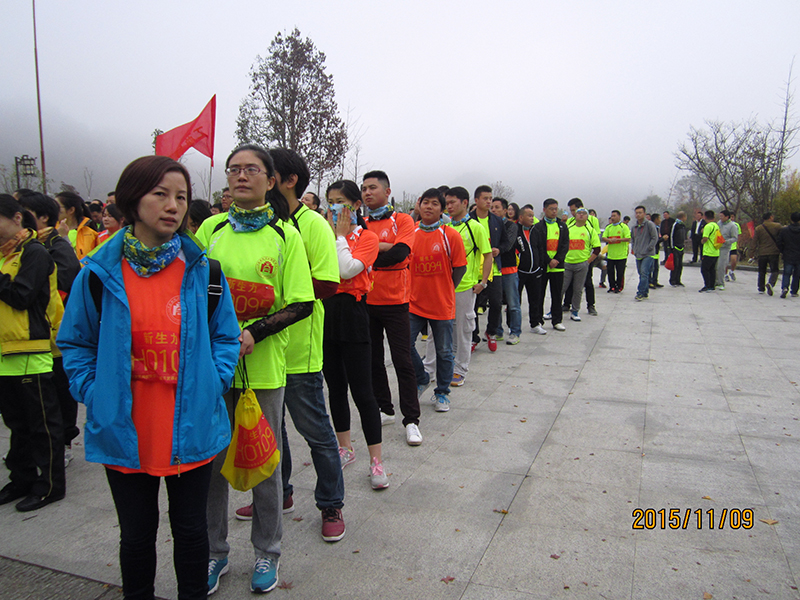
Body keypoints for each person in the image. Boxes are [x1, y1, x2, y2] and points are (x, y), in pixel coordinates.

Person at [57, 156, 241, 600]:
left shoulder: (205, 272)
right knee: (136, 538)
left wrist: (212, 382)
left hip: (191, 425)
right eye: (160, 194)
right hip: (125, 428)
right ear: (130, 200)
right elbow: (75, 344)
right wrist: (95, 392)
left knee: (192, 532)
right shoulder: (98, 275)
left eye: (180, 196)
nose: (172, 205)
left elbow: (226, 337)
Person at [197, 144, 315, 595]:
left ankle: (268, 551)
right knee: (209, 462)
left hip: (262, 369)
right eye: (234, 170)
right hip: (210, 368)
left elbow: (302, 302)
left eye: (252, 169)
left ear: (270, 180)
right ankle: (213, 552)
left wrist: (255, 333)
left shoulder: (286, 236)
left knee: (263, 463)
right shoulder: (209, 229)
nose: (241, 176)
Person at [238, 147, 345, 542]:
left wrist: (277, 296)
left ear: (286, 180)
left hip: (299, 349)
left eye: (266, 173)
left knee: (315, 431)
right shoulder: (255, 225)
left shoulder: (311, 224)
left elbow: (328, 283)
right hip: (262, 352)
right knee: (270, 431)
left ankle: (331, 502)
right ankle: (277, 495)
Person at [0, 195, 66, 513]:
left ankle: (50, 485)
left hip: (31, 350)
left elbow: (22, 295)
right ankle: (21, 479)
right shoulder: (3, 255)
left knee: (42, 424)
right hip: (3, 353)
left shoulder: (35, 253)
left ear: (15, 218)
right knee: (16, 424)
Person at [323, 180, 390, 484]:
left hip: (353, 314)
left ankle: (376, 461)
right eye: (331, 201)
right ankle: (344, 447)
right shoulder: (322, 235)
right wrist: (332, 236)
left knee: (363, 392)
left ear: (355, 206)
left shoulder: (368, 238)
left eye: (341, 202)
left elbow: (347, 269)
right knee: (335, 388)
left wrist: (338, 237)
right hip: (326, 315)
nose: (335, 207)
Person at [18, 192, 82, 466]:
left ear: (41, 217)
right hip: (23, 339)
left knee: (55, 397)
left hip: (52, 335)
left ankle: (61, 446)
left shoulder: (54, 245)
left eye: (22, 211)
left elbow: (67, 279)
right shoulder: (19, 248)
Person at [362, 171, 422, 440]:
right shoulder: (360, 223)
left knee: (402, 361)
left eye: (372, 187)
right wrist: (381, 248)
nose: (367, 193)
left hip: (396, 301)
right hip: (365, 300)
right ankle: (385, 409)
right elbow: (350, 255)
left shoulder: (403, 220)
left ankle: (411, 419)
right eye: (363, 189)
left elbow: (400, 254)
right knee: (373, 360)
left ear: (387, 192)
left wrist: (368, 258)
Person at [408, 189, 466, 412]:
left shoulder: (450, 235)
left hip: (442, 304)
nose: (429, 207)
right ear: (418, 206)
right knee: (404, 344)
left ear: (442, 209)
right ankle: (422, 377)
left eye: (435, 204)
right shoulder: (411, 233)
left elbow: (460, 267)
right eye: (425, 203)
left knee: (444, 351)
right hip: (414, 302)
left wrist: (446, 288)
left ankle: (442, 392)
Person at [432, 187, 492, 386]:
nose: (448, 206)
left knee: (464, 330)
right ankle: (431, 367)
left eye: (452, 202)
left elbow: (487, 254)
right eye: (446, 203)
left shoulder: (476, 228)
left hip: (465, 287)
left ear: (465, 203)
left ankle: (460, 369)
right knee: (436, 330)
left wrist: (483, 282)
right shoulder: (443, 227)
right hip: (441, 288)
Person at [470, 186, 509, 349]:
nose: (488, 201)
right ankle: (474, 336)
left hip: (493, 269)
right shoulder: (468, 220)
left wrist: (498, 250)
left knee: (496, 302)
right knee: (473, 306)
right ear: (476, 200)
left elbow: (506, 242)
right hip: (472, 270)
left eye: (490, 198)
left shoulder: (497, 221)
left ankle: (491, 332)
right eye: (485, 198)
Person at [533, 199, 569, 330]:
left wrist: (557, 260)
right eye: (551, 209)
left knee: (557, 294)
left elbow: (565, 246)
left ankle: (557, 320)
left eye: (556, 209)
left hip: (558, 267)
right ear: (544, 210)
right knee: (539, 294)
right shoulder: (538, 227)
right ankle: (538, 320)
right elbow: (538, 247)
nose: (554, 211)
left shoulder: (562, 226)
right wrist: (548, 260)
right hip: (543, 266)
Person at [490, 197, 522, 344]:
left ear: (505, 210)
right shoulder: (488, 224)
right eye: (492, 207)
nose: (494, 210)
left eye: (497, 207)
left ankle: (515, 332)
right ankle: (497, 331)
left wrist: (498, 250)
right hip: (494, 269)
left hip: (509, 269)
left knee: (513, 303)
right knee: (496, 303)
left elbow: (508, 244)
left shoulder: (511, 226)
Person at [563, 198, 600, 315]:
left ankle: (591, 305)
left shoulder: (592, 220)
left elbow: (596, 239)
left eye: (574, 210)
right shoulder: (570, 222)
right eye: (571, 211)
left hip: (585, 259)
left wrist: (588, 261)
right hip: (570, 259)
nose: (573, 213)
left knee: (587, 283)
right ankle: (566, 304)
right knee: (568, 284)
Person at [517, 206, 546, 334]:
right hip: (519, 272)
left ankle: (535, 324)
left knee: (535, 299)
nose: (532, 218)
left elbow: (541, 249)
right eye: (529, 215)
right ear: (521, 217)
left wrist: (540, 267)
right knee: (515, 301)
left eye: (533, 215)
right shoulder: (515, 230)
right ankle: (514, 326)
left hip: (535, 272)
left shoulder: (536, 231)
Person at [55, 191, 99, 260]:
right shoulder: (50, 231)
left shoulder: (91, 234)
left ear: (71, 210)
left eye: (57, 207)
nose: (54, 210)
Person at [630, 205, 658, 301]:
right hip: (638, 254)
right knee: (641, 274)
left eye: (640, 212)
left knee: (644, 272)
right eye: (636, 213)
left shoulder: (649, 225)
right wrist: (634, 248)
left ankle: (640, 293)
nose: (638, 215)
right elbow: (633, 239)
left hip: (648, 254)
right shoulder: (634, 227)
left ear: (644, 214)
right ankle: (645, 292)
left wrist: (649, 248)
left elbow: (655, 237)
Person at [601, 210, 630, 293]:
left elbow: (628, 238)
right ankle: (612, 286)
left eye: (614, 216)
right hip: (611, 254)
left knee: (620, 272)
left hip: (621, 255)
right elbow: (604, 237)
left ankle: (619, 287)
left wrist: (618, 239)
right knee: (610, 272)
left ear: (619, 217)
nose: (612, 218)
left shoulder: (623, 227)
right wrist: (609, 240)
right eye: (612, 216)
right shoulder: (609, 227)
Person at [754, 212, 782, 295]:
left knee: (762, 271)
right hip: (774, 252)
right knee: (775, 270)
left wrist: (751, 252)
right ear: (770, 217)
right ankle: (771, 283)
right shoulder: (778, 226)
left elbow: (754, 241)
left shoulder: (758, 228)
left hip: (762, 252)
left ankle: (761, 288)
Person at [777, 212, 800, 298]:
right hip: (799, 255)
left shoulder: (785, 230)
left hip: (788, 254)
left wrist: (783, 250)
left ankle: (785, 287)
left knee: (787, 273)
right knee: (797, 274)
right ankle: (794, 290)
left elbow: (779, 242)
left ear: (791, 219)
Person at [714, 210, 738, 290]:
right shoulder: (718, 223)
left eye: (722, 216)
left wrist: (726, 242)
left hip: (725, 248)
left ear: (727, 217)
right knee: (715, 265)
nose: (720, 218)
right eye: (719, 216)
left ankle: (721, 283)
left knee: (721, 265)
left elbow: (735, 238)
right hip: (716, 247)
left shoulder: (732, 226)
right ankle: (715, 281)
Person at [699, 210, 721, 292]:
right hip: (716, 251)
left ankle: (707, 285)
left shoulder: (708, 226)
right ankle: (712, 285)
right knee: (712, 270)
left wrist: (702, 241)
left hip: (708, 252)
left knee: (704, 269)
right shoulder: (716, 225)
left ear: (705, 217)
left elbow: (705, 238)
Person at [668, 211, 687, 287]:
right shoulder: (675, 225)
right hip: (675, 247)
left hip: (681, 247)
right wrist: (672, 248)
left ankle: (678, 280)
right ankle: (673, 280)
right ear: (682, 217)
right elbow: (671, 236)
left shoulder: (682, 225)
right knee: (675, 265)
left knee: (680, 265)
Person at [725, 212, 741, 281]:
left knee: (734, 260)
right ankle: (725, 274)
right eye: (730, 217)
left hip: (733, 246)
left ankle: (732, 271)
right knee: (725, 262)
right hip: (725, 246)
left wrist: (738, 244)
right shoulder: (724, 225)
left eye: (732, 217)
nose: (731, 218)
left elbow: (739, 235)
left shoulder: (736, 225)